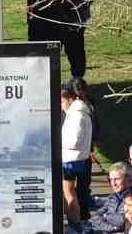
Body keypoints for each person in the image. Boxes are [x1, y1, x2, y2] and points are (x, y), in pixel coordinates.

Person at [64, 86, 93, 230]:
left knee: (69, 193)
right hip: (75, 158)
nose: (61, 106)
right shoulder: (79, 113)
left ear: (70, 99)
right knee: (69, 193)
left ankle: (75, 225)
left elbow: (74, 141)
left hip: (71, 159)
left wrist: (57, 142)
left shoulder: (77, 115)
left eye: (62, 102)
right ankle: (74, 223)